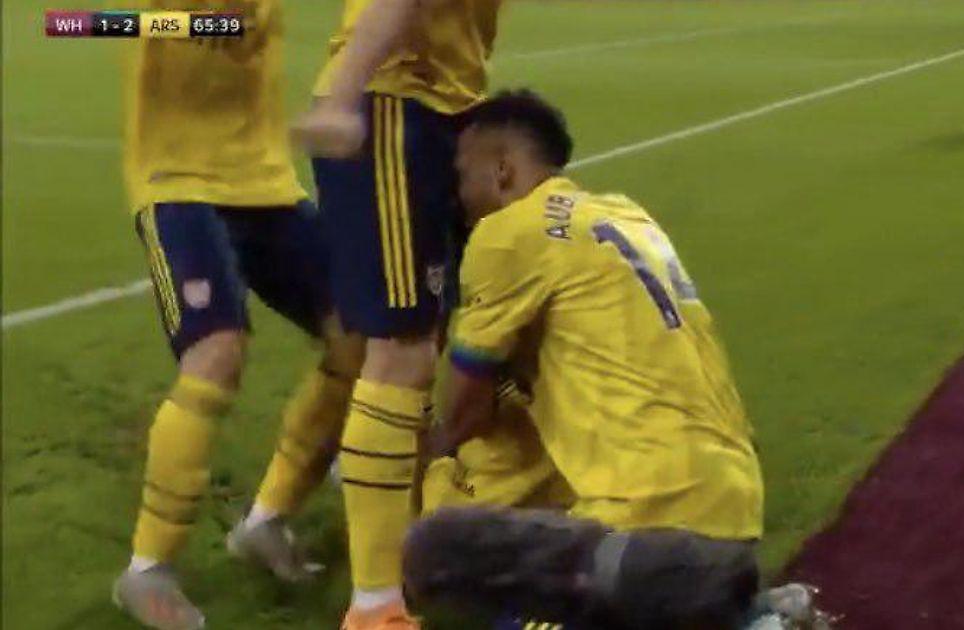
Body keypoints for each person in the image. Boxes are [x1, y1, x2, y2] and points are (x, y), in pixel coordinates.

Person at [404, 89, 800, 630]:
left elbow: (465, 416)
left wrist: (422, 457)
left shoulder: (507, 234)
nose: (458, 195)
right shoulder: (625, 213)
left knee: (438, 547)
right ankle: (735, 610)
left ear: (502, 170)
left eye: (463, 175)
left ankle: (751, 621)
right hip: (733, 501)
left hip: (648, 519)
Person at [111, 2, 364, 629]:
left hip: (266, 185)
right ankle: (147, 568)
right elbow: (92, 22)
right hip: (177, 184)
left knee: (358, 335)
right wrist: (186, 25)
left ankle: (266, 521)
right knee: (217, 352)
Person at [291, 0, 504, 627]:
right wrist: (343, 95)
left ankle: (407, 550)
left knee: (422, 340)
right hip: (397, 96)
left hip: (443, 103)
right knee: (401, 348)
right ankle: (375, 606)